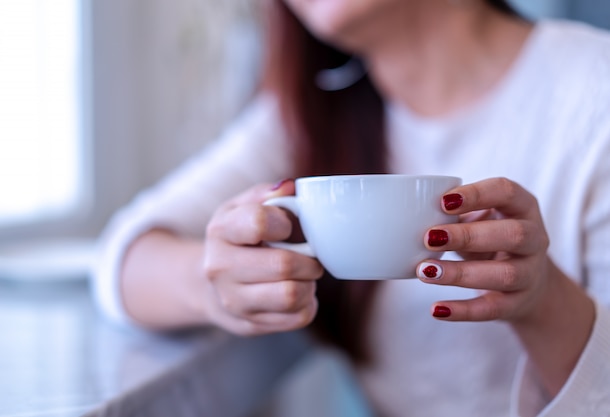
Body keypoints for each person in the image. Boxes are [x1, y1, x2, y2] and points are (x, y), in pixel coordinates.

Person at [92, 0, 610, 415]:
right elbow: (123, 257)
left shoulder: (593, 91)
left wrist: (541, 301)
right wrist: (215, 286)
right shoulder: (312, 114)